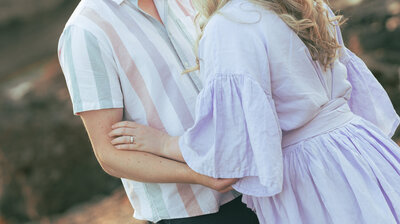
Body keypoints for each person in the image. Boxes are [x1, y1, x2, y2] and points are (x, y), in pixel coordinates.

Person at [109, 0, 400, 223]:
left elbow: (233, 142)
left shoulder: (230, 26)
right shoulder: (306, 4)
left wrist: (163, 143)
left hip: (310, 174)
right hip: (358, 150)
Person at [57, 0, 260, 223]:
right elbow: (109, 155)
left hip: (260, 181)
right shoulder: (84, 31)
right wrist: (197, 175)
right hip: (191, 212)